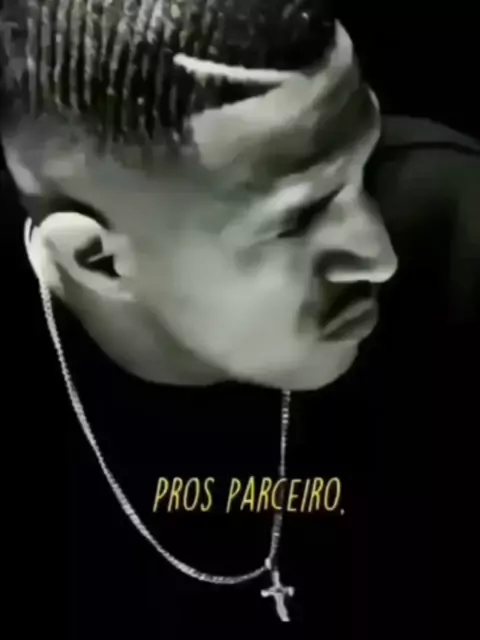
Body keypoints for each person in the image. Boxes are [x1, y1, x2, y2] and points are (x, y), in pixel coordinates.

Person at [0, 2, 478, 639]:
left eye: (362, 165)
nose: (379, 256)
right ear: (97, 259)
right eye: (298, 217)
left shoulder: (459, 236)